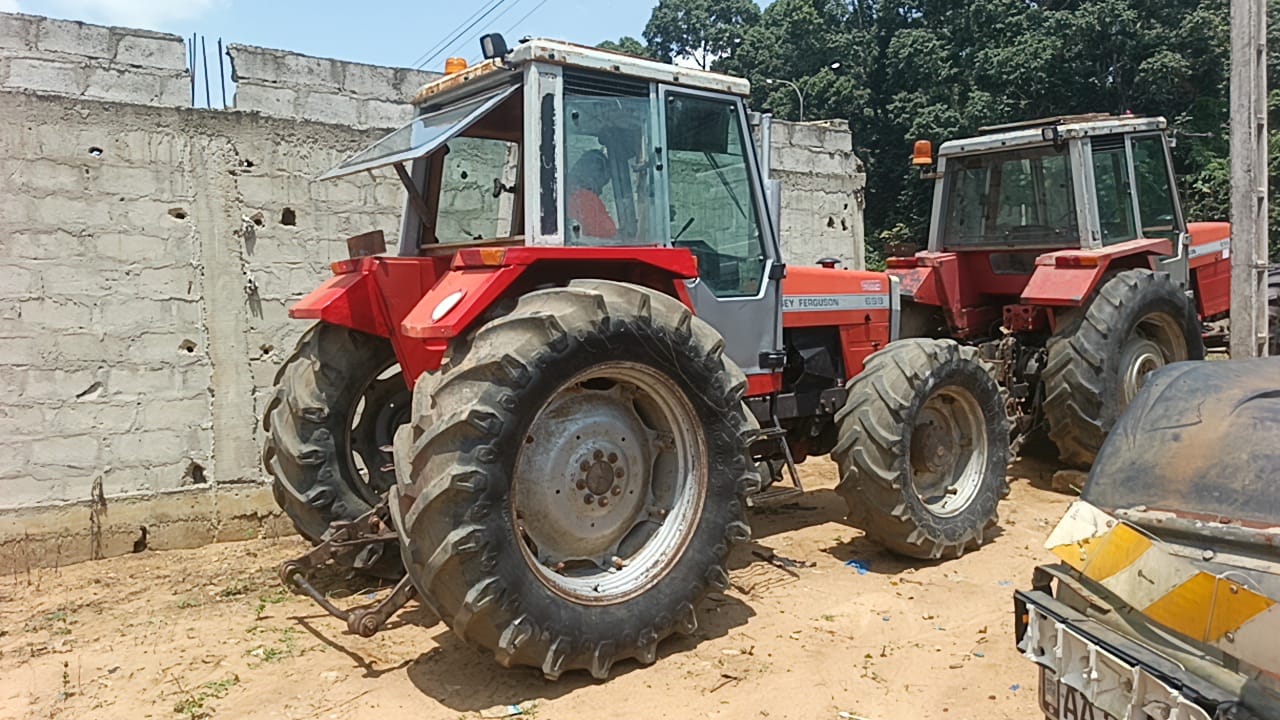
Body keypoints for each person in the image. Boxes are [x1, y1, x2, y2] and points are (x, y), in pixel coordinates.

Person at [567, 149, 617, 240]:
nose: (601, 191)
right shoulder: (585, 199)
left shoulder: (569, 195)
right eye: (602, 183)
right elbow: (609, 234)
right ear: (595, 175)